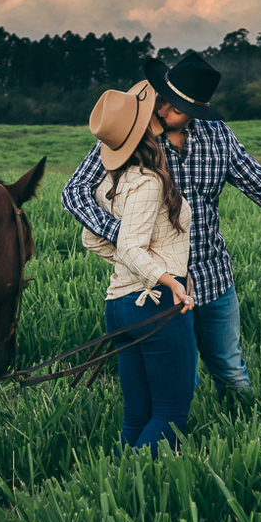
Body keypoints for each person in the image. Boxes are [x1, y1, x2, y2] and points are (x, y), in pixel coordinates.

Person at [64, 52, 261, 402]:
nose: (162, 111)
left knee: (231, 371)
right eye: (162, 99)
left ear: (196, 110)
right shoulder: (132, 133)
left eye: (175, 108)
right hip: (160, 283)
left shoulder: (219, 137)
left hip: (213, 275)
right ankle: (180, 435)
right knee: (179, 381)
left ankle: (242, 425)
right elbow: (74, 191)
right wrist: (120, 234)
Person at [82, 79, 197, 455]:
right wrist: (169, 280)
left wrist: (135, 266)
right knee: (170, 414)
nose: (158, 113)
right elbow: (131, 246)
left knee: (137, 416)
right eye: (150, 114)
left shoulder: (110, 181)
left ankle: (118, 481)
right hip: (156, 303)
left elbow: (92, 239)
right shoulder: (148, 182)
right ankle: (137, 482)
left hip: (118, 307)